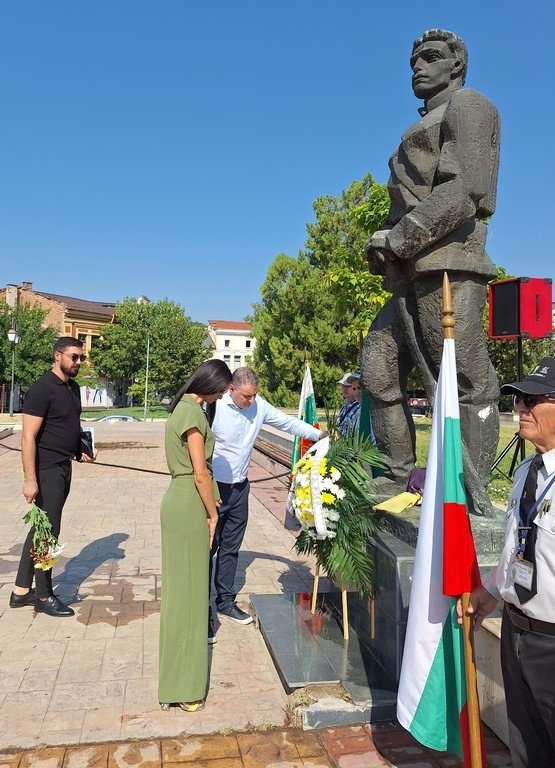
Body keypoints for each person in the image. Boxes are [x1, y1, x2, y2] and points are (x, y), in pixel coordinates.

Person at [361, 28, 501, 516]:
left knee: (463, 377)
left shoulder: (471, 107)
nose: (418, 67)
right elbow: (407, 203)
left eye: (431, 57)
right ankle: (396, 473)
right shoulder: (417, 127)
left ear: (456, 64)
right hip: (408, 271)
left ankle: (467, 494)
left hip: (449, 265)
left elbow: (467, 189)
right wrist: (385, 240)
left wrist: (400, 237)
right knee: (378, 365)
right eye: (414, 60)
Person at [459, 358, 555, 767]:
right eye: (518, 399)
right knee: (527, 751)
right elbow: (519, 547)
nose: (521, 408)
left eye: (533, 399)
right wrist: (491, 590)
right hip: (516, 633)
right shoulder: (525, 472)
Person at [209, 367, 326, 632]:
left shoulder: (258, 406)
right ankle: (202, 610)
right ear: (231, 389)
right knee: (208, 549)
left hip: (240, 489)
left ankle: (225, 602)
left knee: (230, 548)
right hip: (214, 489)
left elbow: (288, 423)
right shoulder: (213, 407)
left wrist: (318, 434)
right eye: (246, 396)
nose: (250, 401)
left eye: (254, 396)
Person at [158, 358, 232, 713]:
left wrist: (211, 496)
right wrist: (213, 514)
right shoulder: (193, 414)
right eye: (221, 389)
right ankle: (185, 686)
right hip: (189, 504)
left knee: (182, 594)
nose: (220, 396)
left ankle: (175, 680)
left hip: (181, 498)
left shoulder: (183, 408)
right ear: (211, 384)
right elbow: (200, 473)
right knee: (189, 598)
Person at [9, 337, 97, 617]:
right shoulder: (42, 389)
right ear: (57, 355)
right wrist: (30, 479)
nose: (78, 362)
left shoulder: (72, 388)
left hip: (63, 466)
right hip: (45, 470)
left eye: (81, 357)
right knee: (48, 533)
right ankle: (44, 595)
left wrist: (80, 449)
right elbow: (28, 437)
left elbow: (69, 424)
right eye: (74, 357)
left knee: (40, 529)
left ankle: (21, 591)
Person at [336, 373, 361, 438]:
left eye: (348, 386)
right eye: (343, 386)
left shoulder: (360, 406)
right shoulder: (345, 405)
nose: (344, 389)